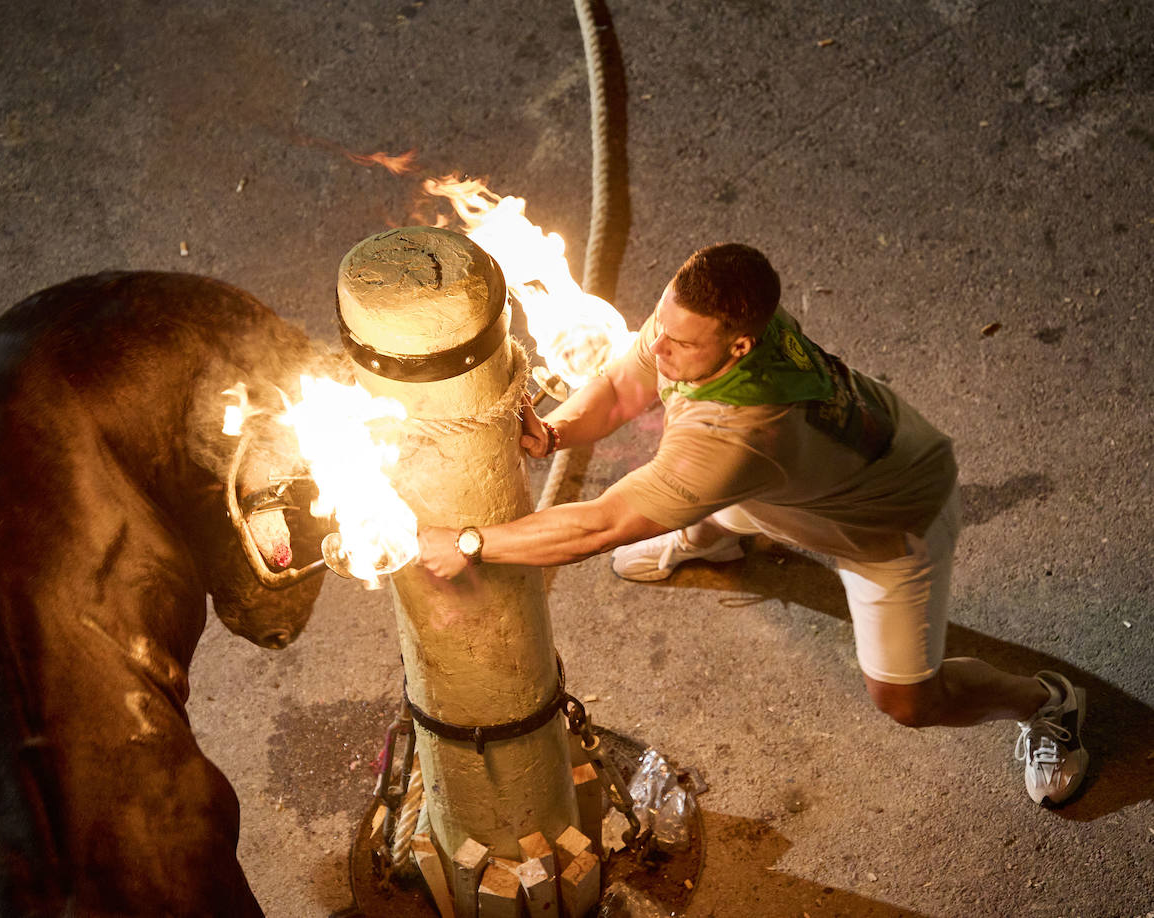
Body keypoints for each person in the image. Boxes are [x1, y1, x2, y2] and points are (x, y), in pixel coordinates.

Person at [417, 243, 1088, 806]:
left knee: (906, 700)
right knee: (715, 494)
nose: (660, 346)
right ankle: (714, 536)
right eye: (661, 324)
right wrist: (558, 431)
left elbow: (602, 524)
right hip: (808, 473)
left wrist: (472, 543)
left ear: (739, 345)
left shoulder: (740, 438)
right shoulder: (713, 319)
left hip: (889, 522)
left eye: (681, 343)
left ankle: (1048, 702)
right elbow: (627, 384)